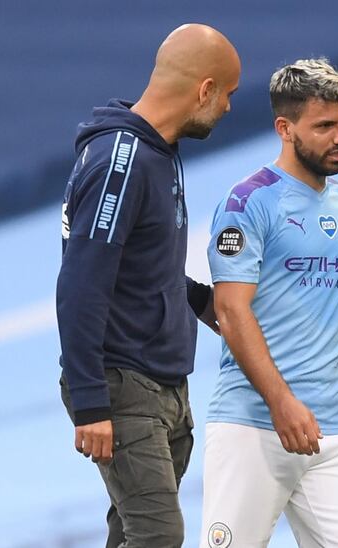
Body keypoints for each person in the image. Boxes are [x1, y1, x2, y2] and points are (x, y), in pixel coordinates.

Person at [56, 24, 240, 547]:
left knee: (131, 533)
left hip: (162, 381)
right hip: (122, 383)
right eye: (226, 93)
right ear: (204, 90)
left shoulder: (157, 152)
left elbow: (140, 265)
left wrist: (206, 304)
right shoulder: (124, 162)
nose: (228, 108)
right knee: (158, 535)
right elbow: (80, 285)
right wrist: (91, 403)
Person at [200, 58, 338, 548]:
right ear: (285, 128)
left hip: (335, 430)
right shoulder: (247, 204)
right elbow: (231, 311)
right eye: (325, 126)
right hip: (253, 426)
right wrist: (282, 404)